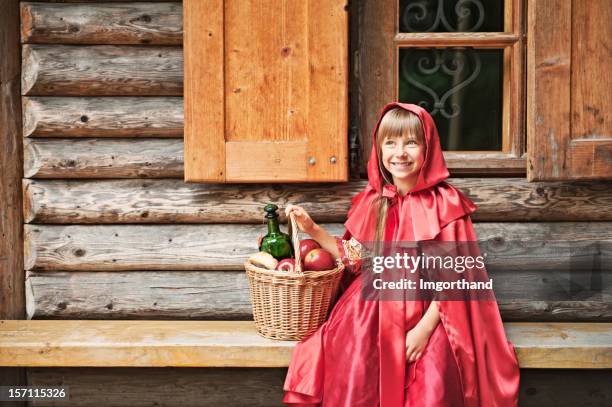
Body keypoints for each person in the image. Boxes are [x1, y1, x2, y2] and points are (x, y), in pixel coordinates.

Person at [282, 102, 520, 406]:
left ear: (428, 148)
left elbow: (457, 278)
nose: (400, 153)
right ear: (379, 150)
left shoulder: (444, 203)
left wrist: (423, 330)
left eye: (411, 142)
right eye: (390, 143)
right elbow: (355, 256)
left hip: (431, 311)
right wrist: (312, 228)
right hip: (370, 308)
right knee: (349, 356)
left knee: (431, 374)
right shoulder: (373, 200)